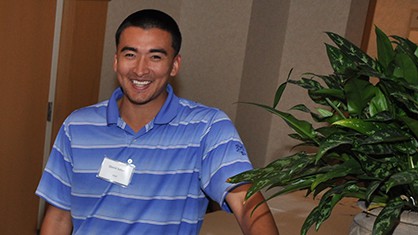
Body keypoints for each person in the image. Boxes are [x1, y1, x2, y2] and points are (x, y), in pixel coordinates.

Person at [36, 9, 279, 235]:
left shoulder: (207, 128)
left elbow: (247, 204)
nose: (140, 70)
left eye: (155, 56)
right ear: (116, 61)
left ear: (174, 65)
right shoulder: (76, 127)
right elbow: (58, 217)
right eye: (130, 54)